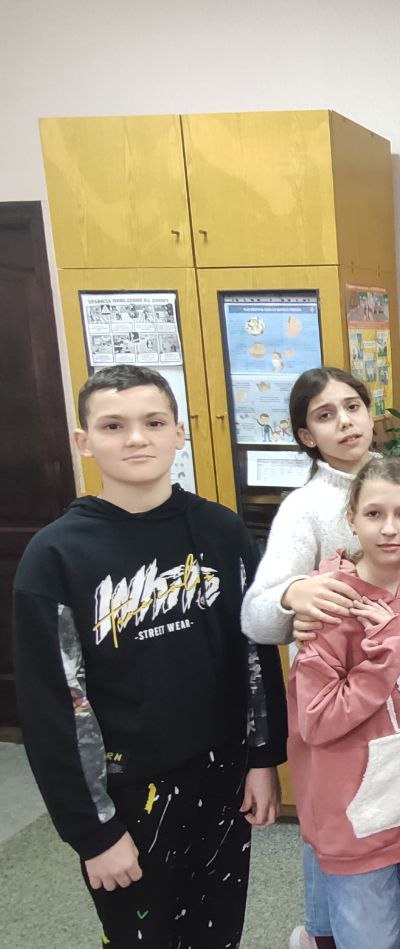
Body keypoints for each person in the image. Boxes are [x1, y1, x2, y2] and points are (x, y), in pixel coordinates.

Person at [13, 365, 286, 947]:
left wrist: (264, 759)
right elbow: (56, 708)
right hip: (125, 791)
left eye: (154, 422)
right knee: (143, 934)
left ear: (179, 432)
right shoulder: (55, 556)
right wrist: (93, 832)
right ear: (84, 441)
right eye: (113, 425)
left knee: (218, 930)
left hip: (221, 777)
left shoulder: (221, 531)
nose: (136, 438)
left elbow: (254, 657)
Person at [289, 457, 400, 949]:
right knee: (369, 933)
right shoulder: (329, 603)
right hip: (356, 813)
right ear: (351, 518)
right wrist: (381, 659)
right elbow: (317, 720)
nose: (389, 529)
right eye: (373, 514)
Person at [241, 366, 377, 949]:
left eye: (353, 407)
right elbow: (257, 615)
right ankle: (320, 936)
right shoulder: (305, 506)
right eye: (325, 415)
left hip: (393, 683)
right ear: (306, 436)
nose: (344, 422)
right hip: (332, 695)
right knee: (332, 817)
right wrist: (294, 594)